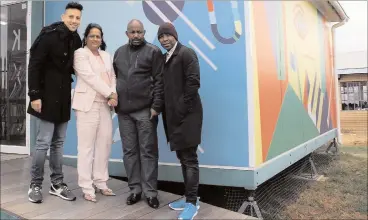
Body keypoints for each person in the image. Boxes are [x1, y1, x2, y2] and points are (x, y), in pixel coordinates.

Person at [27, 2, 83, 203]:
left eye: (77, 18)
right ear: (63, 16)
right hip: (45, 97)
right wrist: (34, 95)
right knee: (43, 143)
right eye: (71, 17)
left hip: (64, 98)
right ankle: (35, 184)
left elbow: (81, 65)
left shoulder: (76, 39)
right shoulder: (48, 35)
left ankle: (57, 184)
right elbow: (34, 65)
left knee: (58, 143)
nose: (74, 21)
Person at [113, 19, 164, 209]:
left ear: (144, 33)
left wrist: (156, 106)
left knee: (148, 152)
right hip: (124, 112)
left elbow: (160, 81)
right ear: (127, 33)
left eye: (139, 32)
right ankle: (135, 189)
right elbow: (114, 79)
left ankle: (150, 192)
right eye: (132, 32)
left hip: (145, 111)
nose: (136, 35)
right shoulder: (118, 53)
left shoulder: (153, 52)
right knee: (129, 152)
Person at [157, 22, 203, 220]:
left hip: (188, 115)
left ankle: (192, 204)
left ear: (175, 36)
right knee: (183, 159)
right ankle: (189, 198)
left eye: (168, 35)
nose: (165, 39)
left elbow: (193, 83)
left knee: (190, 159)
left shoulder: (186, 53)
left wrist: (180, 108)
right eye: (161, 36)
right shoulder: (165, 57)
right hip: (175, 117)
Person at [72, 23, 118, 202]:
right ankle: (86, 186)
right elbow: (89, 77)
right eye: (92, 35)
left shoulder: (107, 55)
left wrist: (112, 95)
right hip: (87, 105)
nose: (95, 39)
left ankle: (101, 182)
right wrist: (110, 93)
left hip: (105, 105)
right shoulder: (80, 54)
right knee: (86, 148)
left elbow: (113, 77)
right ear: (85, 38)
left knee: (104, 145)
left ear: (101, 39)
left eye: (98, 36)